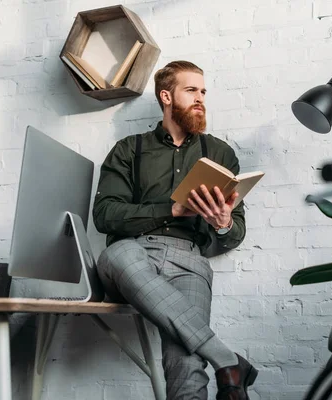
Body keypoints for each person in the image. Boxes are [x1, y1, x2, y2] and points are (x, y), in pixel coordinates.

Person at [92, 60, 258, 400]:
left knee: (186, 360)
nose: (201, 98)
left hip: (190, 260)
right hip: (131, 253)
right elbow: (105, 215)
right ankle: (227, 360)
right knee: (118, 254)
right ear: (166, 96)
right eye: (191, 90)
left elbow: (236, 230)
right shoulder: (129, 149)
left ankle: (224, 364)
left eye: (203, 92)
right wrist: (173, 209)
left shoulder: (220, 153)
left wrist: (222, 222)